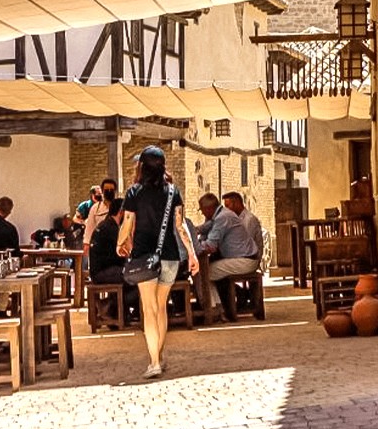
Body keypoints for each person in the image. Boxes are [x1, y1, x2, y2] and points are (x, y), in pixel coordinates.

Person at [118, 146, 198, 379]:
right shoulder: (173, 191)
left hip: (145, 256)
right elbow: (181, 226)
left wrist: (119, 243)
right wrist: (191, 254)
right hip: (170, 256)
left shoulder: (135, 192)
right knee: (161, 308)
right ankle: (159, 356)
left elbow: (128, 224)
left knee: (149, 309)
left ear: (142, 166)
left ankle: (154, 362)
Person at [195, 192, 259, 320]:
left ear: (209, 209)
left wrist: (193, 248)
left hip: (245, 260)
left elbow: (211, 245)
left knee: (204, 273)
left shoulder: (223, 218)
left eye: (202, 210)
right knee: (207, 271)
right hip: (241, 258)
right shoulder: (218, 216)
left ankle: (214, 310)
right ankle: (218, 307)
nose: (202, 213)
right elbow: (205, 228)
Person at [222, 192, 269, 270]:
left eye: (227, 206)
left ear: (236, 203)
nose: (226, 210)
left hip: (249, 260)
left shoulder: (249, 220)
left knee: (214, 268)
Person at [88, 198, 126, 284]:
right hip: (102, 273)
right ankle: (119, 297)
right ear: (121, 211)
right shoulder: (111, 229)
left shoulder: (105, 225)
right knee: (135, 276)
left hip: (98, 271)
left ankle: (117, 297)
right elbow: (120, 254)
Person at [84, 177, 119, 246]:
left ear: (115, 191)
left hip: (116, 243)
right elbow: (90, 227)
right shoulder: (95, 208)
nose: (109, 191)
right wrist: (87, 244)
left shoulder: (121, 206)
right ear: (102, 191)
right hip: (100, 244)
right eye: (106, 190)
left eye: (111, 190)